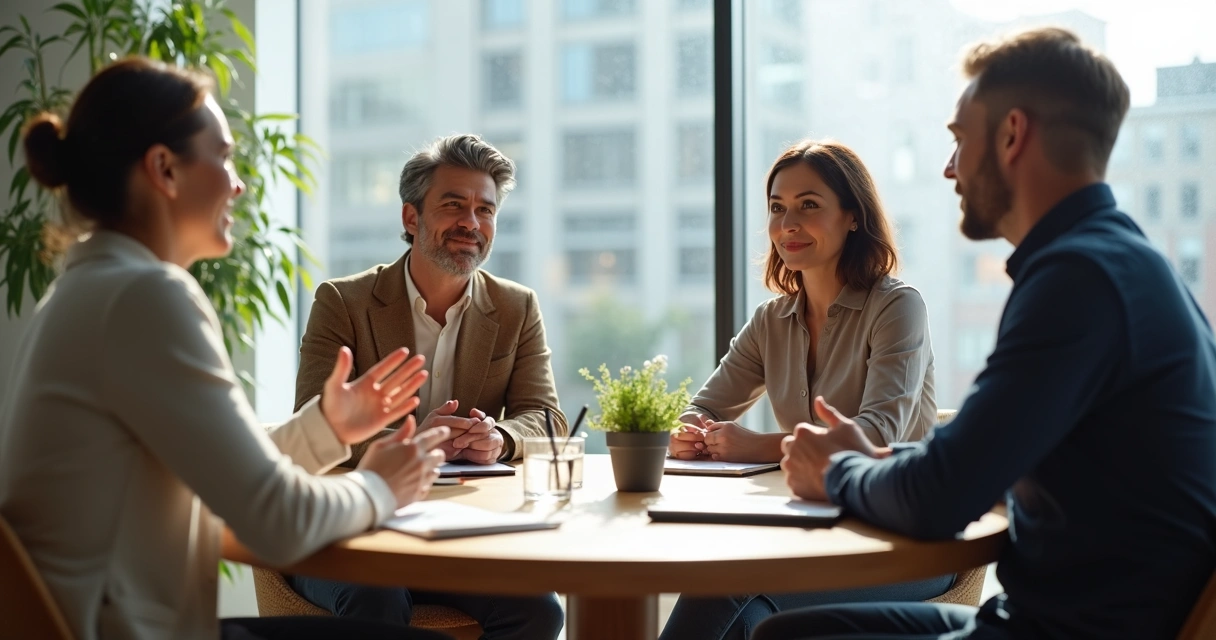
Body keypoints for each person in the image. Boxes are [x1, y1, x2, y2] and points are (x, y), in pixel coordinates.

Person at [754, 27, 1216, 640]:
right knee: (779, 628)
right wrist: (879, 459)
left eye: (959, 140)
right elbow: (970, 458)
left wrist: (836, 471)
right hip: (1045, 615)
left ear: (1011, 135)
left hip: (1063, 631)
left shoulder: (1078, 280)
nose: (949, 169)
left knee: (783, 634)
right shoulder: (1115, 261)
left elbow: (941, 497)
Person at [0, 57, 452, 640]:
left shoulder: (92, 288)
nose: (237, 183)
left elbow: (222, 478)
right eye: (223, 155)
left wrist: (329, 428)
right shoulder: (144, 296)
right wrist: (381, 487)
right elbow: (277, 522)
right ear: (164, 169)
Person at [659, 140, 945, 640]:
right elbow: (701, 407)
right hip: (813, 533)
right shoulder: (772, 319)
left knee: (727, 585)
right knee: (740, 614)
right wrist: (689, 432)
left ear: (852, 216)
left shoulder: (897, 307)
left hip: (901, 541)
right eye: (777, 208)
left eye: (809, 205)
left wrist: (760, 445)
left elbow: (877, 435)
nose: (788, 224)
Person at [284, 133, 565, 639]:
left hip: (460, 535)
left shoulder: (516, 307)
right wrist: (410, 444)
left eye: (486, 209)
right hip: (353, 529)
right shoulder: (343, 303)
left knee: (539, 610)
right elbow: (311, 418)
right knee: (377, 596)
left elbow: (547, 419)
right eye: (453, 205)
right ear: (411, 218)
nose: (471, 223)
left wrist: (499, 438)